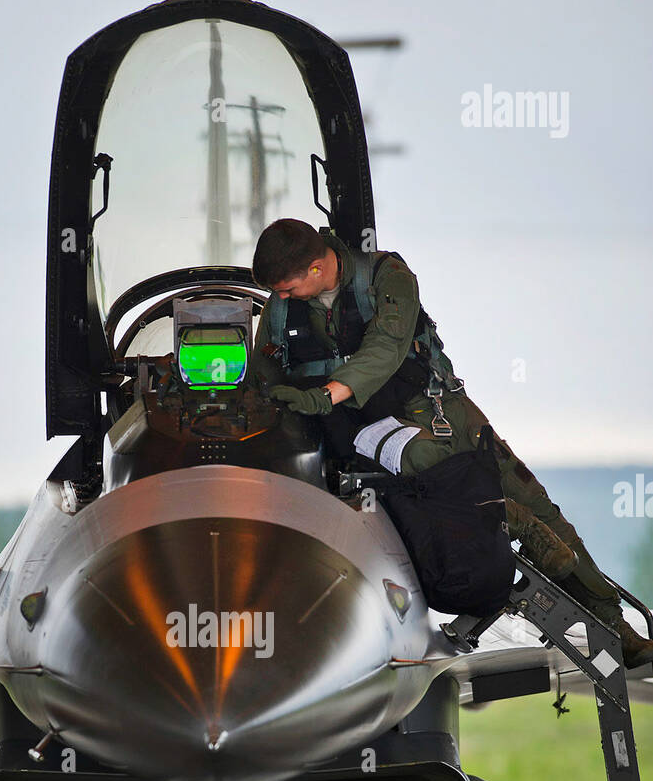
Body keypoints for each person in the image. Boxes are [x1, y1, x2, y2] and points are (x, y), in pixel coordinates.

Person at [251, 218, 653, 668]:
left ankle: (616, 628)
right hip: (377, 442)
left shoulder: (388, 278)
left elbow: (385, 348)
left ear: (314, 268)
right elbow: (263, 375)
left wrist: (325, 396)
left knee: (538, 507)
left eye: (286, 289)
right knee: (494, 513)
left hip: (442, 417)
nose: (279, 299)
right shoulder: (282, 309)